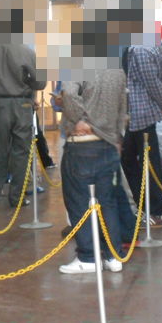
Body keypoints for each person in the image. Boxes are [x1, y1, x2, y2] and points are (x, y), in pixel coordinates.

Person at [59, 69, 128, 274]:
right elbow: (122, 105)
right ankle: (113, 256)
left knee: (79, 203)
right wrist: (117, 136)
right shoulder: (117, 69)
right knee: (108, 203)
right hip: (108, 144)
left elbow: (69, 92)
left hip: (81, 146)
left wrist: (79, 119)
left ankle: (88, 257)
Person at [0, 44, 46, 212]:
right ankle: (17, 198)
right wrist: (25, 83)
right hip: (22, 103)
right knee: (22, 152)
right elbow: (41, 82)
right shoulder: (27, 51)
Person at [121, 42, 162, 229]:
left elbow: (153, 83)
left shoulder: (141, 50)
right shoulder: (160, 43)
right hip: (141, 112)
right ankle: (145, 206)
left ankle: (156, 212)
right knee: (128, 157)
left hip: (141, 112)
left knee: (150, 163)